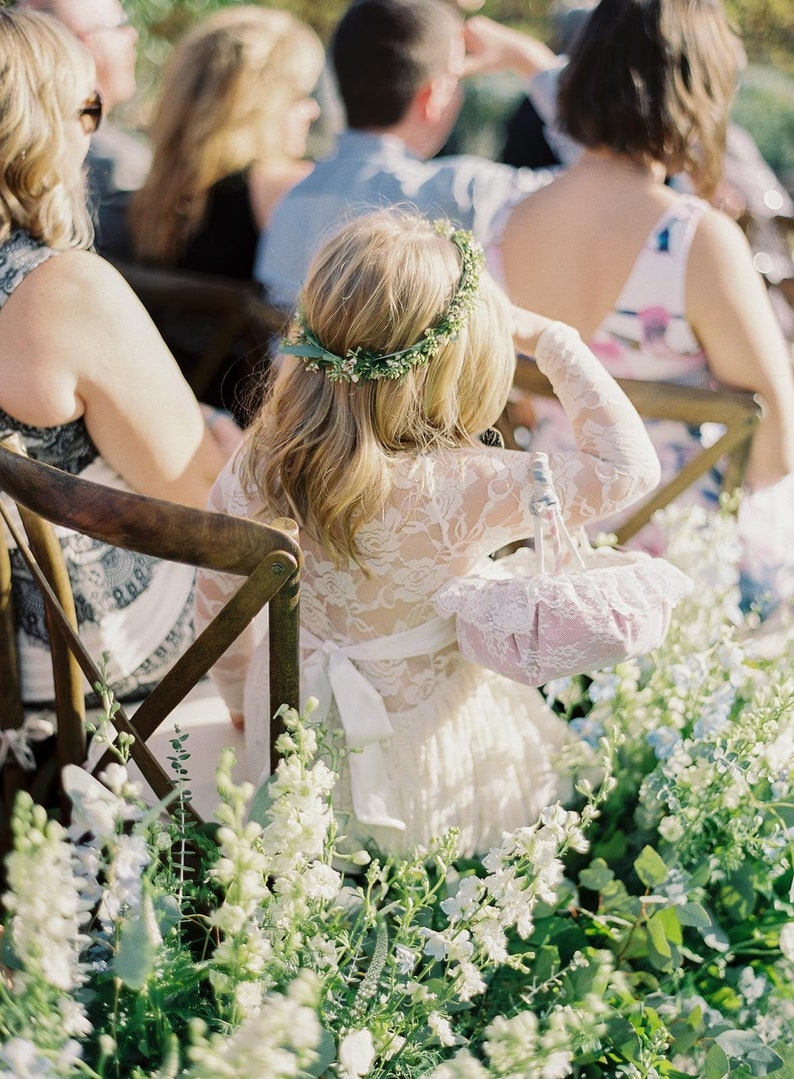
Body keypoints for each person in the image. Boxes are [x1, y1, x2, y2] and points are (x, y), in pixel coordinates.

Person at [197, 208, 661, 857]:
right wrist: (552, 338)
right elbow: (628, 468)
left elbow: (216, 602)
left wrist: (242, 700)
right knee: (459, 861)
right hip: (436, 763)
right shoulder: (469, 483)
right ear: (459, 360)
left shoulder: (261, 460)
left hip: (295, 741)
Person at [501, 0, 794, 616]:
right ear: (697, 93)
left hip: (553, 553)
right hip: (681, 577)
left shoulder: (509, 223)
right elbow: (775, 453)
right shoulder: (696, 242)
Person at [0, 8, 237, 704]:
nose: (92, 129)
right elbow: (206, 497)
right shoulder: (62, 291)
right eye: (89, 107)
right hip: (90, 674)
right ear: (44, 127)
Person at [255, 0, 561, 311]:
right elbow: (588, 179)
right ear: (432, 97)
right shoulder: (464, 193)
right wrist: (532, 61)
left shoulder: (293, 200)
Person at [129, 7, 325, 281]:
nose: (313, 110)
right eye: (300, 96)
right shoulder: (288, 190)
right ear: (259, 106)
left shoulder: (153, 200)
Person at [19, 0, 150, 259]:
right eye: (119, 24)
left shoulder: (21, 144)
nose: (132, 34)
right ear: (82, 44)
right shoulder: (122, 165)